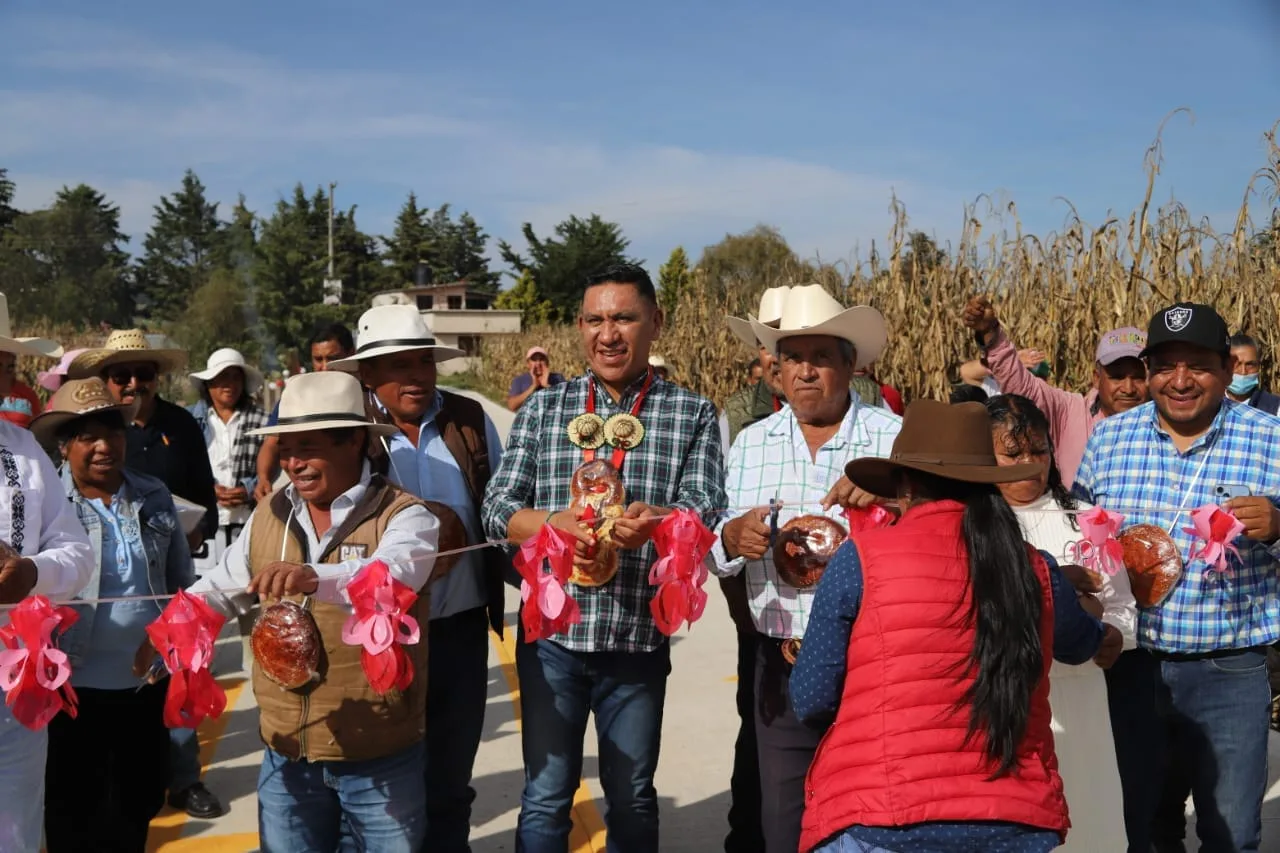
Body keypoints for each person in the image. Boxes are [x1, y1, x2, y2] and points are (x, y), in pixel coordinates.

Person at [791, 399, 1106, 853]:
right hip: (1011, 818)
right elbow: (1080, 645)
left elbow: (811, 697)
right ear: (989, 484)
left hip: (881, 816)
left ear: (902, 486)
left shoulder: (859, 560)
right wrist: (1092, 612)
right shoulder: (1033, 566)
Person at [483, 263, 725, 852]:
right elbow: (496, 509)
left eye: (624, 318)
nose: (608, 334)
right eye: (595, 319)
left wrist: (659, 524)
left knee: (634, 796)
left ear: (656, 324)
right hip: (553, 644)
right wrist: (553, 524)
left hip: (638, 640)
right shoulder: (543, 410)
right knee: (545, 796)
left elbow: (706, 506)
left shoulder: (690, 413)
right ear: (579, 326)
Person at [189, 370, 443, 852]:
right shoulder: (269, 514)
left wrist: (313, 576)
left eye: (309, 447)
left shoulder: (407, 515)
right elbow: (220, 586)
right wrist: (171, 627)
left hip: (379, 757)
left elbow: (390, 576)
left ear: (356, 443)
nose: (293, 463)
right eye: (286, 448)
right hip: (286, 755)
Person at [1073, 301, 1280, 853]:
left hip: (1228, 669)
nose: (1180, 380)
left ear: (1227, 368)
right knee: (1139, 825)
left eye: (1198, 365)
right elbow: (1079, 535)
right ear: (1148, 371)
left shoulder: (1271, 437)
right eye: (1165, 365)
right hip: (1129, 668)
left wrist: (1279, 526)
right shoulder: (1110, 439)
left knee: (1230, 832)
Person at [711, 284, 901, 853]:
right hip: (782, 658)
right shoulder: (750, 443)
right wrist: (730, 537)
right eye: (794, 357)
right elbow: (716, 539)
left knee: (871, 812)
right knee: (784, 820)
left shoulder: (893, 440)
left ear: (852, 366)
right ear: (777, 368)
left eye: (822, 357)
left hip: (873, 659)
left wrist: (890, 501)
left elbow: (934, 532)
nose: (807, 372)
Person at [332, 304, 508, 853]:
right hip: (382, 636)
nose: (416, 376)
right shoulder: (349, 435)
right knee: (378, 787)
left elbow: (501, 502)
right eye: (398, 365)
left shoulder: (468, 418)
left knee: (451, 783)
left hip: (458, 630)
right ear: (366, 375)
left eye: (424, 362)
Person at [32, 378, 195, 852]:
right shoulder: (48, 506)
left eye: (114, 432)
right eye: (88, 437)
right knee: (72, 810)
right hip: (70, 690)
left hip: (145, 685)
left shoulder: (154, 495)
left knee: (138, 803)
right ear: (65, 448)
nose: (105, 446)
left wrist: (175, 644)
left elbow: (180, 584)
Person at [69, 328, 223, 819]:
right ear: (106, 381)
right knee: (86, 791)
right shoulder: (73, 458)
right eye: (121, 375)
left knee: (174, 695)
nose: (133, 382)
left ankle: (184, 781)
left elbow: (204, 492)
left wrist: (194, 531)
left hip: (165, 567)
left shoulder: (181, 425)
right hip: (85, 656)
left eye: (144, 373)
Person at [985, 393, 1133, 851]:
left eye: (1039, 451)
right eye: (1012, 454)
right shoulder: (977, 525)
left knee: (1088, 821)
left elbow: (1122, 608)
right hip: (1005, 702)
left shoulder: (1085, 522)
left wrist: (1113, 635)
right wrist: (1055, 587)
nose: (1029, 464)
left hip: (1081, 697)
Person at [0, 344, 94, 853]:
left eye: (5, 367)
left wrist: (31, 573)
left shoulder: (23, 451)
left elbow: (77, 552)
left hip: (15, 684)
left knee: (14, 827)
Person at [963, 294, 1149, 483]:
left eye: (1139, 377)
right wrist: (991, 334)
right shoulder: (1068, 411)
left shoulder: (1169, 427)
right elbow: (1022, 387)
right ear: (1096, 378)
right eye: (1117, 377)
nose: (1128, 388)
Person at [188, 348, 269, 570]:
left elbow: (272, 468)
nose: (229, 384)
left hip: (246, 521)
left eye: (235, 377)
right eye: (221, 377)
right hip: (203, 521)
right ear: (208, 383)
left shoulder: (262, 420)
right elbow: (184, 467)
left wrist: (248, 489)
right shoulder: (190, 421)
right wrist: (208, 489)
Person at [254, 323, 356, 501]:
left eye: (333, 358)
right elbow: (271, 444)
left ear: (351, 353)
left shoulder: (365, 394)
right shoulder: (298, 394)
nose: (325, 367)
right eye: (318, 359)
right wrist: (263, 478)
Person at [1226, 333, 1280, 414]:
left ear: (1259, 367)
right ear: (1224, 365)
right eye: (1236, 364)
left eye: (1250, 364)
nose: (1243, 372)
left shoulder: (1275, 408)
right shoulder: (1210, 404)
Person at [507, 346, 566, 412]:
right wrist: (533, 387)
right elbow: (512, 406)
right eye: (534, 360)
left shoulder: (558, 378)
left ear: (547, 362)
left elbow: (566, 402)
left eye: (541, 359)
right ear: (528, 363)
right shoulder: (519, 380)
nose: (538, 363)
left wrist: (547, 386)